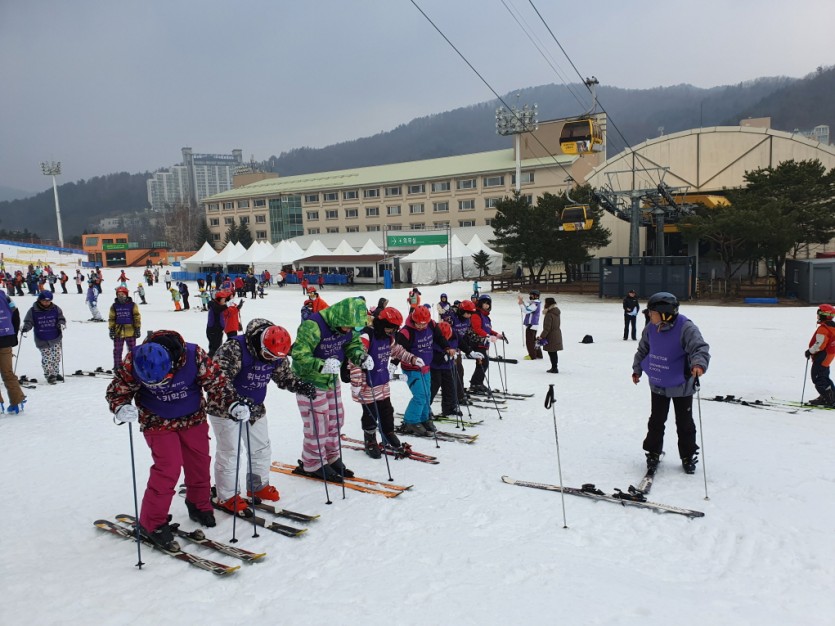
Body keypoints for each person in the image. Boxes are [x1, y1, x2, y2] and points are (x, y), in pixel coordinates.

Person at [105, 330, 235, 550]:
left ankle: (198, 503)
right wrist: (120, 407)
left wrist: (232, 404)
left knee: (199, 461)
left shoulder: (193, 356)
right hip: (157, 419)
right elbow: (118, 391)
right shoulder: (134, 360)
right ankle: (152, 523)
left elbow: (217, 384)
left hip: (192, 416)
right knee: (168, 467)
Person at [209, 320, 316, 512]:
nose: (270, 361)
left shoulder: (276, 354)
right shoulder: (234, 349)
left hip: (254, 406)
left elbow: (284, 376)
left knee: (261, 448)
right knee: (230, 452)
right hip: (225, 408)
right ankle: (227, 495)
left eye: (274, 358)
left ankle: (257, 486)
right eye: (267, 356)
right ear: (260, 345)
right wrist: (233, 402)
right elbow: (217, 379)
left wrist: (300, 385)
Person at [290, 297, 369, 482]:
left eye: (352, 327)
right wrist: (321, 365)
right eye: (347, 326)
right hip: (309, 381)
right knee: (318, 423)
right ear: (340, 318)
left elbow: (352, 344)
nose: (349, 330)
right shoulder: (313, 325)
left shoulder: (346, 326)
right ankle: (313, 462)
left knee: (336, 418)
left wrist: (360, 356)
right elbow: (298, 354)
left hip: (331, 380)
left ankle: (331, 456)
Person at [631, 292, 710, 474]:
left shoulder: (686, 327)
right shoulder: (651, 327)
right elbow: (643, 350)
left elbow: (699, 348)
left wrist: (698, 364)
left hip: (681, 384)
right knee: (656, 420)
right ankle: (653, 452)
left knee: (684, 423)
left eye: (652, 313)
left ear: (665, 313)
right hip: (658, 382)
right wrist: (637, 369)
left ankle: (688, 455)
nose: (650, 316)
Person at [349, 307, 418, 457]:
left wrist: (412, 359)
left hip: (382, 381)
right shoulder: (367, 336)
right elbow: (354, 360)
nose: (391, 331)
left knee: (387, 411)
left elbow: (398, 351)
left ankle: (388, 433)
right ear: (381, 323)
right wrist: (356, 384)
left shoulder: (388, 338)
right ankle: (370, 439)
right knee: (371, 414)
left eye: (394, 329)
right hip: (367, 384)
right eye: (389, 328)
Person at [395, 306, 436, 436]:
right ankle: (411, 421)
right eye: (419, 323)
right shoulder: (406, 332)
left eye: (424, 324)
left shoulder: (431, 325)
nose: (421, 326)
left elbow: (440, 337)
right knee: (420, 395)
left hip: (426, 368)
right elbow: (398, 350)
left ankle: (424, 418)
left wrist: (447, 348)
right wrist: (393, 365)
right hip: (411, 369)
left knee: (427, 394)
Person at [441, 299, 481, 405]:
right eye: (467, 313)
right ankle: (458, 395)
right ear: (461, 310)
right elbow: (444, 333)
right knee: (456, 371)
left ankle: (459, 393)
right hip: (447, 348)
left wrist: (480, 339)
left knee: (459, 371)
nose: (469, 315)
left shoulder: (467, 320)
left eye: (471, 313)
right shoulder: (451, 317)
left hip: (457, 348)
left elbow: (468, 332)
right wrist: (448, 348)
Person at [21, 291, 66, 384]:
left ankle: (55, 373)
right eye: (44, 301)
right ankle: (49, 375)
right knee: (47, 357)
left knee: (56, 357)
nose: (46, 303)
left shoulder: (55, 308)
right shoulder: (33, 311)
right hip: (42, 337)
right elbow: (29, 322)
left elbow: (61, 318)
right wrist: (26, 328)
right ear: (39, 300)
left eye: (48, 301)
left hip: (55, 336)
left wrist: (61, 324)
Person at [469, 294, 507, 394]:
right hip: (477, 342)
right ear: (480, 303)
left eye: (488, 304)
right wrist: (488, 336)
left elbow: (488, 329)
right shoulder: (476, 314)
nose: (486, 305)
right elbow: (477, 329)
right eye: (484, 303)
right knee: (484, 363)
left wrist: (496, 334)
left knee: (482, 364)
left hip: (484, 343)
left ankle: (477, 383)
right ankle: (475, 383)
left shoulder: (486, 317)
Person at [0, 291, 26, 414]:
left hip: (6, 338)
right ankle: (17, 401)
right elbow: (15, 313)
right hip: (6, 338)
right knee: (8, 373)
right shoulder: (5, 297)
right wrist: (13, 334)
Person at [804, 304, 835, 406]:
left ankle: (829, 399)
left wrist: (810, 351)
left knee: (818, 377)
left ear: (823, 315)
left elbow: (820, 345)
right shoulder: (832, 326)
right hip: (829, 355)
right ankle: (829, 396)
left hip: (823, 355)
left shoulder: (824, 329)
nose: (817, 316)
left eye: (818, 313)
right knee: (824, 376)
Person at [430, 321, 459, 417]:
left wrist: (468, 351)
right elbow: (430, 354)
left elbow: (460, 343)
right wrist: (442, 357)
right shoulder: (432, 337)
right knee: (433, 387)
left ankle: (449, 408)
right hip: (434, 367)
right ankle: (425, 408)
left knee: (450, 387)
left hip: (448, 366)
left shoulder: (454, 335)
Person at [109, 286, 141, 370]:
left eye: (122, 294)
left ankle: (132, 365)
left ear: (126, 295)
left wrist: (137, 328)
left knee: (132, 349)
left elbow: (136, 317)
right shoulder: (114, 306)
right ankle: (117, 365)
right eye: (119, 295)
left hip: (130, 330)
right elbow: (112, 318)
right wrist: (111, 329)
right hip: (118, 331)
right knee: (117, 350)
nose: (120, 296)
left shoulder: (132, 305)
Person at [537, 297, 563, 373]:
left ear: (548, 304)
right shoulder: (556, 312)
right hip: (557, 334)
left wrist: (542, 337)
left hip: (551, 336)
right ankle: (554, 367)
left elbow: (547, 328)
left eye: (545, 303)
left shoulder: (549, 314)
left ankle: (554, 368)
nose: (544, 304)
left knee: (552, 352)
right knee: (554, 352)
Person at [518, 289, 543, 360]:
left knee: (529, 341)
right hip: (533, 325)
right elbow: (527, 307)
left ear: (536, 296)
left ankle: (532, 355)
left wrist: (521, 304)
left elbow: (527, 310)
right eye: (530, 295)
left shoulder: (535, 304)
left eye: (532, 295)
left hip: (531, 325)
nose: (530, 296)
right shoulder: (534, 303)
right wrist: (522, 302)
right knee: (533, 340)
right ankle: (538, 354)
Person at [206, 291, 228, 356]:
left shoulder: (218, 305)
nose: (224, 301)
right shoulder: (214, 305)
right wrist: (226, 306)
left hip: (217, 331)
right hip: (214, 331)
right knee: (214, 349)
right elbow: (217, 309)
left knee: (217, 347)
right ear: (219, 299)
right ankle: (210, 359)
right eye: (223, 299)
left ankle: (214, 358)